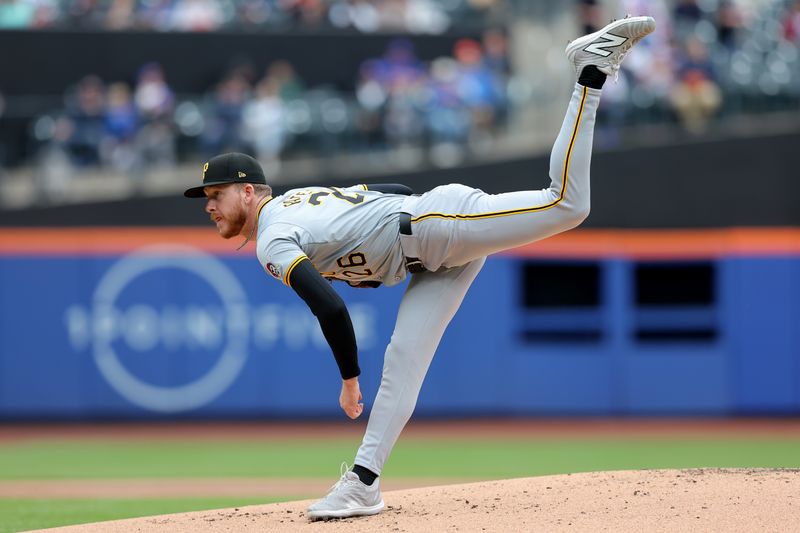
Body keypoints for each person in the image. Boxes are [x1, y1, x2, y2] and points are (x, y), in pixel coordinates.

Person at [184, 15, 656, 521]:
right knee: (404, 360)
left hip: (434, 228)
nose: (209, 205)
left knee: (567, 204)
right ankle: (363, 483)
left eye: (217, 194)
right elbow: (391, 191)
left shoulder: (273, 237)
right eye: (207, 198)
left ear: (249, 191)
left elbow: (329, 305)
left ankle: (590, 69)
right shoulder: (297, 202)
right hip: (428, 244)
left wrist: (348, 378)